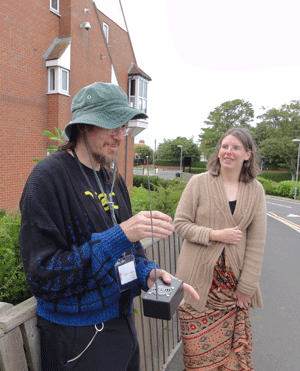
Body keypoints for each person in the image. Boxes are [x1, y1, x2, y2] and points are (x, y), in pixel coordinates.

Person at [19, 82, 199, 371]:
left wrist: (147, 273)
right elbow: (43, 275)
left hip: (121, 323)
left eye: (123, 126)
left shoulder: (112, 179)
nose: (120, 136)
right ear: (83, 126)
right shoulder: (48, 178)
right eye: (111, 125)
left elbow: (130, 251)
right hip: (77, 338)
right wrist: (120, 235)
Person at [174, 128, 267, 371]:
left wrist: (246, 287)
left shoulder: (255, 190)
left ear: (247, 155)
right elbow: (180, 224)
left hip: (232, 292)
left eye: (236, 148)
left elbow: (257, 243)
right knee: (197, 361)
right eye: (225, 146)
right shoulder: (199, 183)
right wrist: (214, 235)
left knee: (231, 362)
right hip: (197, 288)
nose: (228, 152)